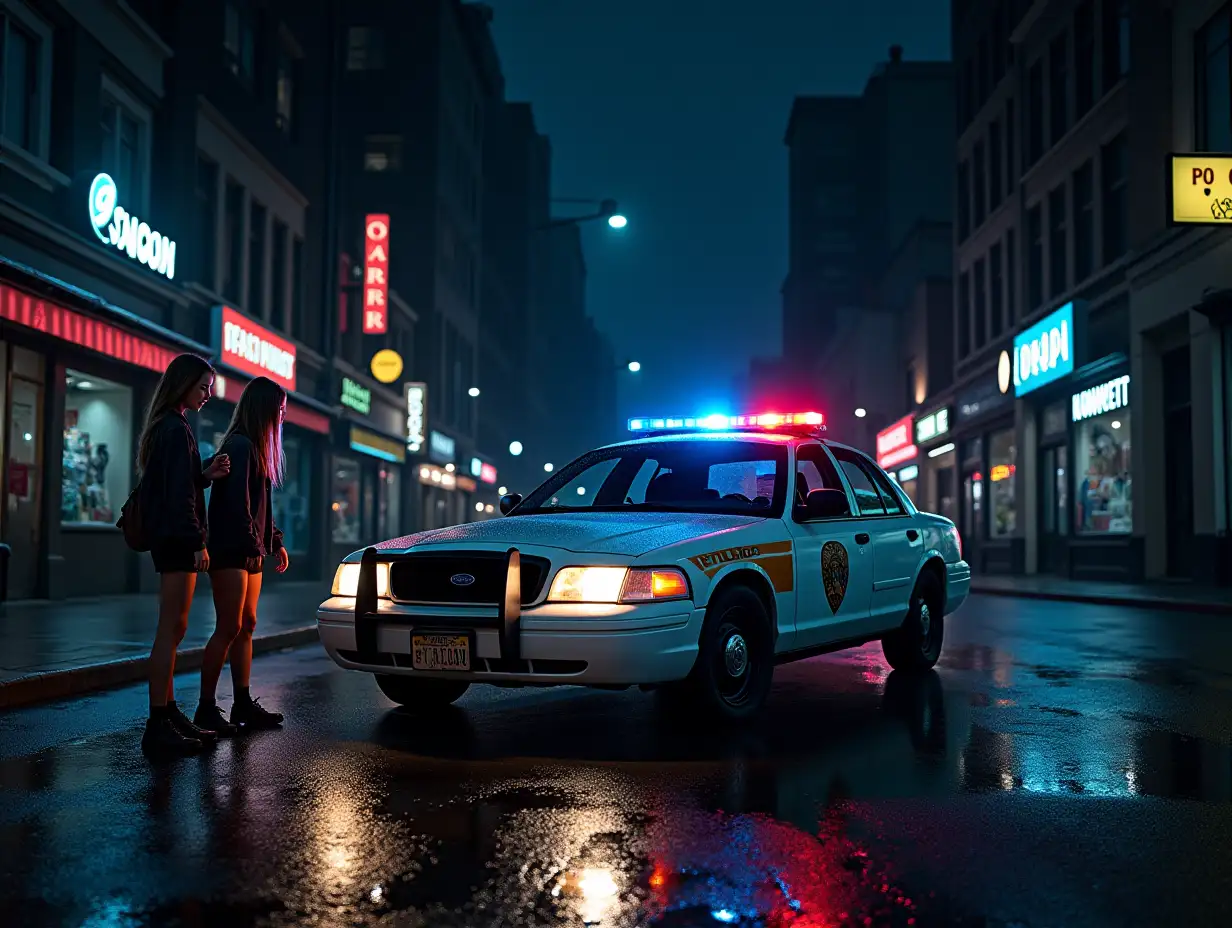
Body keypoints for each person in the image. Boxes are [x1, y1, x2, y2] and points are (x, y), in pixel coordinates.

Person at [138, 353, 231, 756]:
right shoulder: (175, 429)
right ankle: (158, 723)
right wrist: (197, 542)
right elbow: (177, 496)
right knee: (170, 630)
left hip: (171, 537)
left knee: (173, 630)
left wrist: (202, 474)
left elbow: (178, 483)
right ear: (183, 385)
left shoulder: (169, 425)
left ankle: (169, 713)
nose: (208, 394)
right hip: (178, 541)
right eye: (203, 387)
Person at [195, 376, 290, 735]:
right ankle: (206, 708)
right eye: (279, 410)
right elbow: (237, 507)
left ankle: (242, 703)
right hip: (231, 550)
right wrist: (255, 546)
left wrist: (274, 540)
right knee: (229, 626)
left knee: (246, 625)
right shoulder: (240, 446)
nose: (282, 416)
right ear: (264, 409)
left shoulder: (255, 448)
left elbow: (262, 505)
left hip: (249, 551)